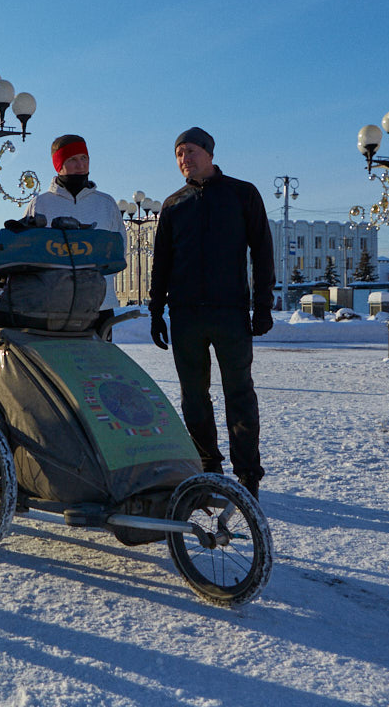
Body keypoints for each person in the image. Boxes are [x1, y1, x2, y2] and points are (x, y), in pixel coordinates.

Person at [148, 127, 275, 500]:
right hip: (186, 316)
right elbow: (161, 264)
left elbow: (262, 251)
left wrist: (262, 305)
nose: (183, 159)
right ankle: (208, 468)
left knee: (239, 393)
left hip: (230, 313)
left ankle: (248, 473)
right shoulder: (173, 204)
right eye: (177, 154)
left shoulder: (241, 194)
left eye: (189, 151)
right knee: (193, 397)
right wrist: (157, 311)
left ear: (208, 153)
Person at [23, 134, 126, 322]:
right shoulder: (40, 204)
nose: (81, 165)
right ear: (58, 164)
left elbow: (119, 252)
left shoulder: (106, 204)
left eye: (84, 158)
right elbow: (28, 253)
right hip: (53, 307)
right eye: (72, 160)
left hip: (100, 305)